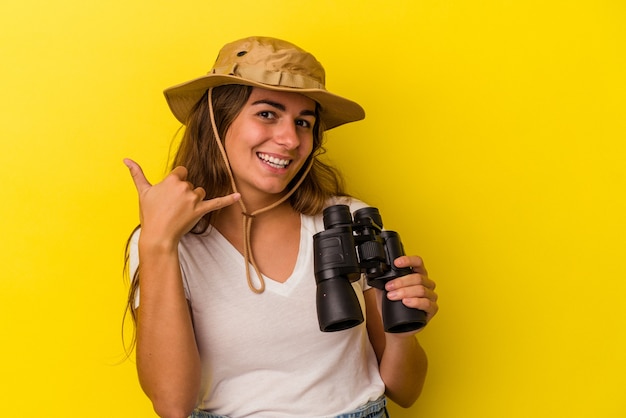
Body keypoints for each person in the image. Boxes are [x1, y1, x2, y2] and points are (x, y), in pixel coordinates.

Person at [123, 36, 439, 418]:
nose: (290, 140)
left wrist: (402, 326)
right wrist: (158, 242)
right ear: (217, 120)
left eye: (303, 122)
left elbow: (405, 391)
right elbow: (172, 405)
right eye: (267, 114)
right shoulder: (163, 242)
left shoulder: (348, 219)